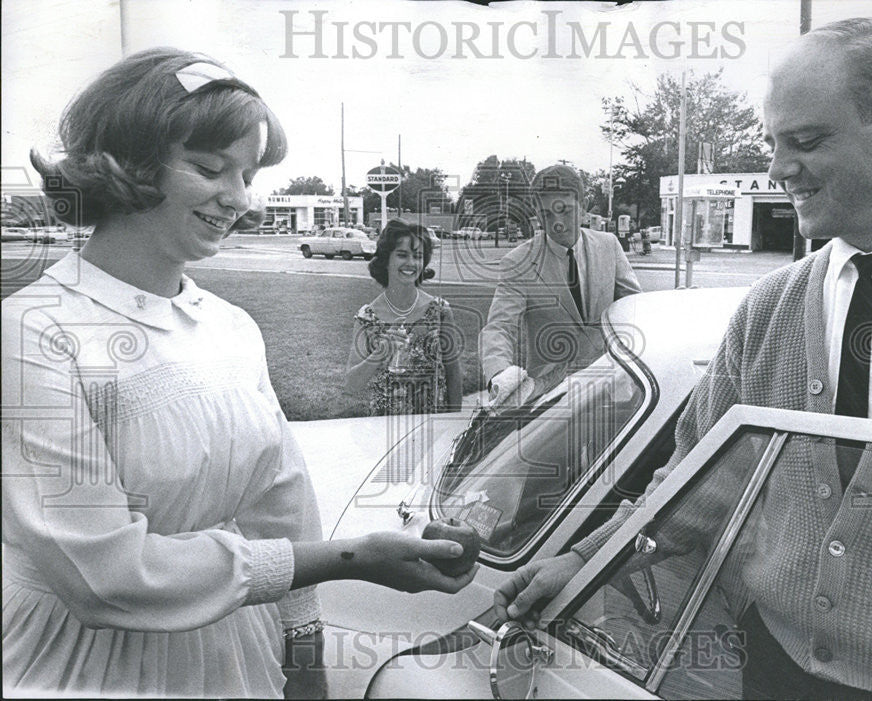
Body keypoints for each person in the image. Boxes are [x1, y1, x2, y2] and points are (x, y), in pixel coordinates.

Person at [493, 18, 872, 700]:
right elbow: (693, 481)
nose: (776, 168)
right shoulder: (768, 308)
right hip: (771, 672)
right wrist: (584, 560)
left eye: (806, 140)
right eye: (772, 143)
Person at [1, 48, 475, 699]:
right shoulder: (33, 328)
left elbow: (280, 499)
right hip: (79, 663)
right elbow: (102, 574)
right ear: (128, 164)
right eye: (210, 168)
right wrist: (357, 557)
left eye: (246, 173)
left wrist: (303, 639)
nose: (240, 198)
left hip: (233, 653)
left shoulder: (231, 327)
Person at [479, 164, 641, 404]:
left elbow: (634, 306)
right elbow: (499, 326)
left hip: (613, 385)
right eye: (546, 215)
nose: (557, 224)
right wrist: (500, 373)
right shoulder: (518, 262)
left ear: (583, 206)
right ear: (536, 211)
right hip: (551, 394)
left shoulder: (609, 245)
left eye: (565, 211)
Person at [345, 220, 463, 415]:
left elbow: (453, 375)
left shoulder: (440, 311)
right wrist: (379, 354)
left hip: (432, 425)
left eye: (418, 256)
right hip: (384, 429)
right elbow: (351, 385)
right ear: (386, 259)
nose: (411, 263)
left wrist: (454, 424)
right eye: (402, 255)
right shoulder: (367, 318)